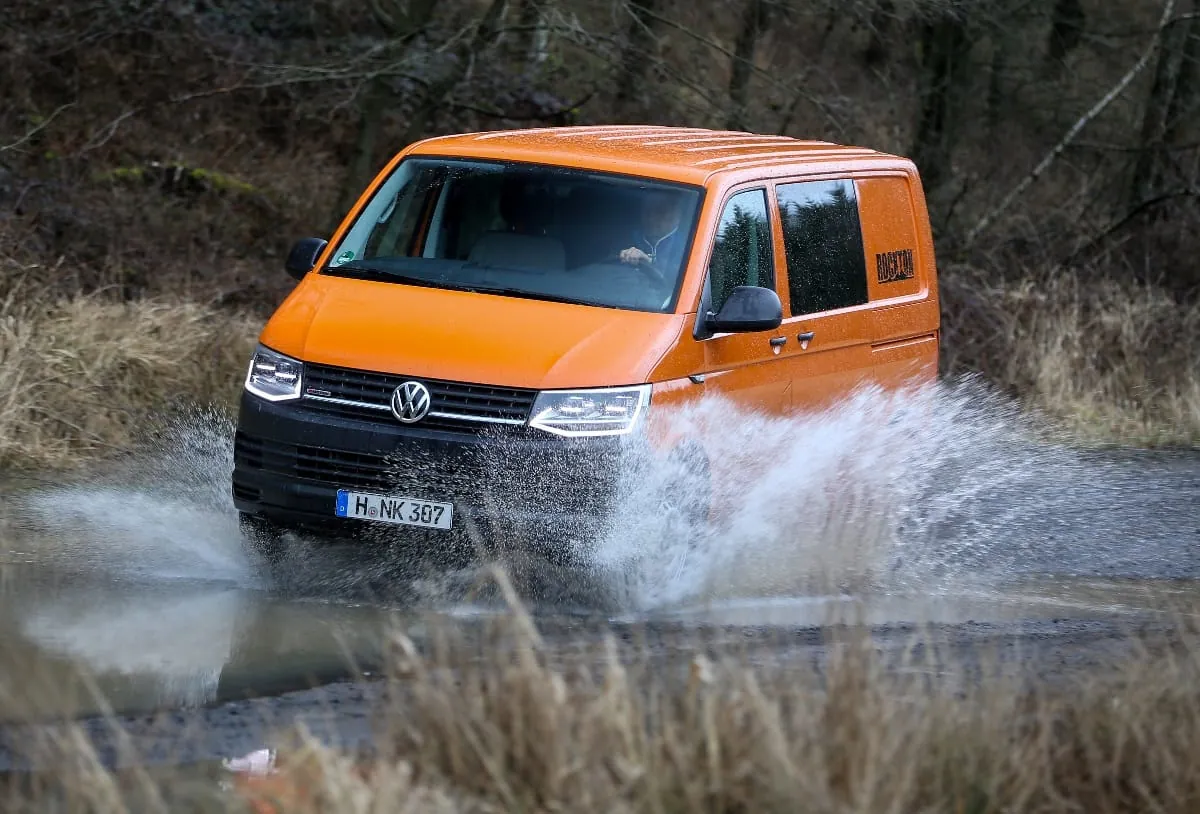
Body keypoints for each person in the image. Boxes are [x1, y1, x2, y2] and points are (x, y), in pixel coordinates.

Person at [618, 191, 686, 274]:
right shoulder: (626, 238)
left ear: (677, 215)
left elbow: (679, 280)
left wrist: (649, 263)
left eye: (660, 212)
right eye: (647, 210)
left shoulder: (689, 246)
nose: (651, 218)